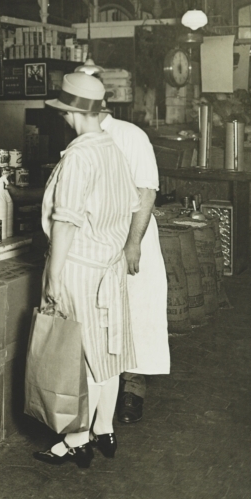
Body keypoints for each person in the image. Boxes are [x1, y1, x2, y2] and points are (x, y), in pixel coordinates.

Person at [33, 72, 139, 468]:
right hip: (107, 266)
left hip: (79, 266)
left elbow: (66, 220)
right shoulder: (111, 147)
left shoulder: (79, 154)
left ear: (70, 112)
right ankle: (104, 427)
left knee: (81, 359)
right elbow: (130, 207)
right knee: (108, 351)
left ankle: (76, 439)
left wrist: (53, 273)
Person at [97, 106, 170, 423]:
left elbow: (147, 191)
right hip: (98, 239)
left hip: (129, 235)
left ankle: (133, 391)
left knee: (136, 313)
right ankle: (104, 390)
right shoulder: (82, 137)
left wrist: (133, 243)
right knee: (104, 316)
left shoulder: (130, 135)